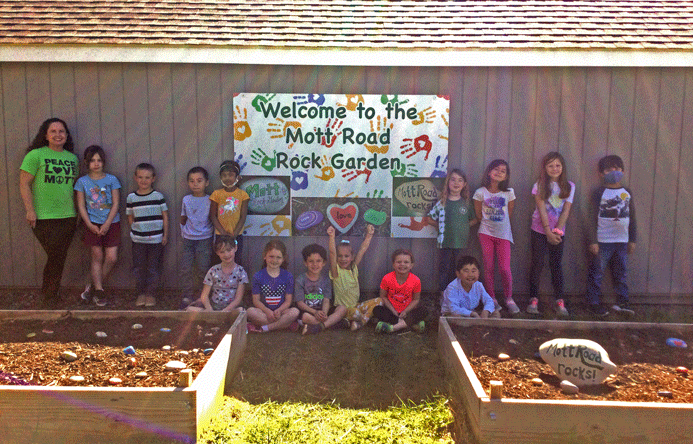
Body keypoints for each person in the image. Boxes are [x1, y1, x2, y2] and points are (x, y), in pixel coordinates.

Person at [19, 118, 79, 308]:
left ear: (66, 135)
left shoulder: (72, 158)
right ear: (45, 135)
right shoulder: (35, 155)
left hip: (68, 216)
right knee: (56, 254)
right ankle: (50, 293)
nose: (57, 135)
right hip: (43, 216)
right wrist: (30, 210)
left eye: (61, 131)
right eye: (53, 131)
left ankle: (50, 294)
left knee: (58, 256)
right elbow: (24, 184)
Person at [586, 155, 637, 318]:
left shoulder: (626, 192)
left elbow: (632, 217)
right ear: (601, 173)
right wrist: (593, 240)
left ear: (622, 171)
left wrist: (632, 239)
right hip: (602, 241)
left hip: (622, 241)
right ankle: (593, 303)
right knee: (597, 273)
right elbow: (591, 217)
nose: (613, 172)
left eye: (617, 169)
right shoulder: (599, 192)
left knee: (621, 272)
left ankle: (622, 302)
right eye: (608, 169)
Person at [526, 152, 575, 317]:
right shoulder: (539, 185)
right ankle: (533, 299)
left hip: (558, 232)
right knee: (537, 264)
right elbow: (541, 209)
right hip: (539, 230)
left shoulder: (569, 186)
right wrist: (547, 231)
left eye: (558, 165)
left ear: (562, 167)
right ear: (545, 168)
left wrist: (557, 231)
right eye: (551, 165)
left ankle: (559, 300)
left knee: (556, 265)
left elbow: (566, 210)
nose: (555, 168)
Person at [74, 145, 122, 307]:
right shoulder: (82, 182)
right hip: (92, 223)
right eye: (92, 160)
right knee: (97, 256)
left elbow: (116, 203)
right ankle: (99, 290)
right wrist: (89, 224)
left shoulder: (111, 180)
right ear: (87, 162)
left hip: (111, 223)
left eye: (99, 160)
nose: (96, 164)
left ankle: (92, 286)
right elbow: (81, 205)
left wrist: (108, 223)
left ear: (103, 162)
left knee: (111, 257)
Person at [473, 159, 518, 314]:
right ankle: (491, 297)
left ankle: (509, 298)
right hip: (486, 233)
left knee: (505, 268)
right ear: (489, 172)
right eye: (496, 169)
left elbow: (509, 213)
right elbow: (479, 215)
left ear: (506, 176)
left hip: (504, 234)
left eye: (503, 171)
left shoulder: (509, 192)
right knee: (489, 266)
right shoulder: (480, 192)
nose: (499, 172)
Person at [428, 168, 478, 294]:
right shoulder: (442, 202)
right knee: (444, 268)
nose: (456, 183)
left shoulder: (466, 203)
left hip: (460, 242)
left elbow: (475, 219)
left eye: (460, 180)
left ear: (464, 184)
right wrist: (439, 226)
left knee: (458, 269)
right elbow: (429, 218)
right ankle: (443, 293)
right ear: (448, 183)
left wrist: (463, 226)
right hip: (444, 242)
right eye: (453, 179)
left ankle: (456, 293)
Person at [126, 163, 168, 308]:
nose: (144, 180)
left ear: (153, 178)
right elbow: (130, 215)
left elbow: (165, 217)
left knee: (153, 267)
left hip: (156, 240)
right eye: (140, 177)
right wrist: (134, 228)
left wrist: (165, 235)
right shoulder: (131, 197)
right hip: (138, 240)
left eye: (147, 177)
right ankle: (141, 293)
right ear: (135, 178)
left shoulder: (158, 196)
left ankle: (151, 294)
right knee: (139, 267)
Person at [327, 224, 381, 331]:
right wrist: (332, 237)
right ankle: (359, 321)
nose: (343, 259)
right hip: (344, 309)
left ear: (352, 257)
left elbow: (362, 250)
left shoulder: (353, 269)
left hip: (357, 306)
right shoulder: (336, 271)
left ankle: (354, 322)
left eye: (346, 256)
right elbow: (332, 253)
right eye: (340, 256)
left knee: (380, 301)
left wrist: (369, 235)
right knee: (356, 313)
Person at [179, 166, 214, 307]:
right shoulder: (186, 199)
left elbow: (213, 217)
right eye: (192, 181)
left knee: (203, 268)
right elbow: (183, 217)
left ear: (207, 182)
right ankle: (186, 296)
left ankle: (202, 297)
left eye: (199, 180)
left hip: (204, 239)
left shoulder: (210, 199)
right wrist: (183, 230)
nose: (195, 184)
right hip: (188, 239)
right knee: (185, 268)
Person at [246, 240, 299, 332]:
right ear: (264, 256)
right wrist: (267, 311)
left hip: (281, 312)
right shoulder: (258, 276)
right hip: (264, 312)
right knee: (250, 311)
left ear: (283, 259)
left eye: (278, 257)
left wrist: (279, 310)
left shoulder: (288, 276)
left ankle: (266, 327)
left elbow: (288, 301)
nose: (274, 260)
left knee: (295, 312)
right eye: (271, 256)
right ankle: (285, 324)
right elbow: (256, 300)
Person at [186, 235, 248, 313]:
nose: (226, 254)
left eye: (229, 250)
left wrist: (226, 310)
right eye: (222, 252)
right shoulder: (213, 270)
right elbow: (204, 295)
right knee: (189, 310)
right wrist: (209, 309)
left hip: (231, 309)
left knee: (241, 311)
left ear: (235, 248)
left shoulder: (241, 272)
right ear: (217, 253)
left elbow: (238, 299)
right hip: (214, 307)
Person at [295, 244, 347, 335]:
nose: (315, 264)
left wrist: (324, 313)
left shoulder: (326, 280)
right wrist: (315, 312)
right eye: (311, 261)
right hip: (309, 311)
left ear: (324, 262)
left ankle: (319, 326)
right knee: (305, 317)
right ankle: (334, 324)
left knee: (342, 308)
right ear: (305, 263)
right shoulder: (300, 280)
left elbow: (326, 300)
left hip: (322, 310)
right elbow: (300, 303)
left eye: (318, 261)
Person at [372, 249, 427, 333]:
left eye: (406, 262)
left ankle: (392, 328)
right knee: (377, 310)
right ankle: (411, 325)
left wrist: (405, 311)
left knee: (423, 311)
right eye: (399, 262)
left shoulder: (416, 280)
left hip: (407, 312)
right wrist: (393, 310)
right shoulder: (387, 278)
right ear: (393, 264)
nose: (402, 264)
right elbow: (383, 296)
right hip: (392, 312)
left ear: (411, 265)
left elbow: (416, 299)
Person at [209, 160, 249, 262]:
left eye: (230, 175)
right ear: (220, 177)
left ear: (237, 177)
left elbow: (243, 217)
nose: (227, 178)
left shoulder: (243, 195)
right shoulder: (216, 194)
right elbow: (213, 216)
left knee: (236, 259)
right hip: (220, 235)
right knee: (219, 260)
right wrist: (223, 233)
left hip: (236, 235)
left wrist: (233, 235)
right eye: (224, 175)